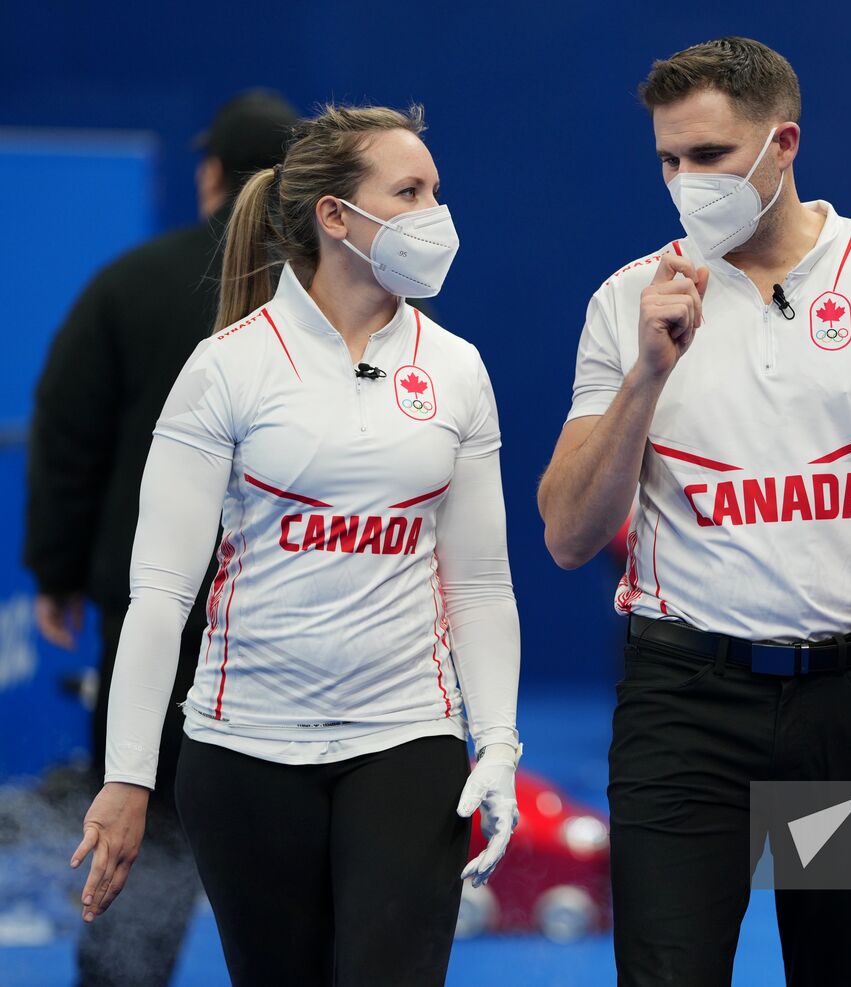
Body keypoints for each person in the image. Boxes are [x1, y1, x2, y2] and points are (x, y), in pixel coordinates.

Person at [538, 38, 851, 986]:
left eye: (711, 156)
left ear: (783, 144)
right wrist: (647, 373)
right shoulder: (626, 303)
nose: (687, 182)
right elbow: (567, 533)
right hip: (684, 704)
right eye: (669, 161)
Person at [65, 104, 523, 987]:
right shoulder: (226, 368)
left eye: (437, 189)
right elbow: (159, 595)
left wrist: (497, 741)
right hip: (243, 755)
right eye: (411, 191)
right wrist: (128, 775)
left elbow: (481, 585)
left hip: (406, 738)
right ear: (336, 216)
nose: (438, 212)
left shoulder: (458, 369)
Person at [23, 89, 297, 987]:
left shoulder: (130, 282)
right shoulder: (327, 298)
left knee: (139, 796)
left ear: (210, 174)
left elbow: (67, 435)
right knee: (297, 828)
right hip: (299, 614)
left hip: (157, 614)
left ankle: (122, 977)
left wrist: (56, 573)